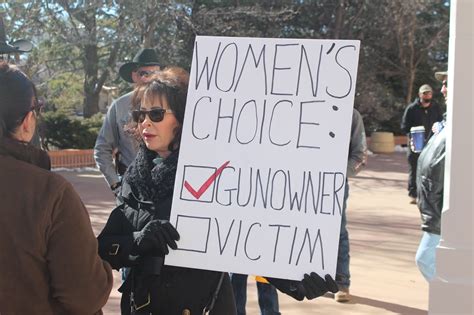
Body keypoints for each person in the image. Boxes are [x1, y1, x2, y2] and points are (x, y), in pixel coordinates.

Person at [97, 67, 339, 315]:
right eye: (140, 114)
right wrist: (139, 241)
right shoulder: (135, 178)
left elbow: (249, 241)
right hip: (143, 305)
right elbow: (104, 247)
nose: (145, 122)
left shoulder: (218, 175)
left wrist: (298, 281)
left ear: (183, 118)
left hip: (204, 305)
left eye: (156, 114)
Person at [0, 62, 113, 313]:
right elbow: (86, 295)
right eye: (37, 108)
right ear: (28, 120)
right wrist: (103, 264)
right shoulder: (50, 193)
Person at [94, 48, 161, 197]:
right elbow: (102, 148)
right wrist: (116, 184)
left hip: (166, 187)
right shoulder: (119, 107)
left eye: (156, 73)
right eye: (145, 73)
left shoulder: (172, 105)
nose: (150, 79)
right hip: (131, 188)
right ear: (134, 76)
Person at [415, 71, 448, 281]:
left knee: (425, 259)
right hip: (435, 210)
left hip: (443, 212)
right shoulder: (450, 119)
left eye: (447, 83)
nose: (442, 89)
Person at [335, 108, 367, 302]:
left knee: (337, 231)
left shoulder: (352, 115)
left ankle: (341, 283)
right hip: (302, 183)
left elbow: (359, 155)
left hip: (335, 185)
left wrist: (337, 173)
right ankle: (313, 280)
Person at [401, 84, 443, 204]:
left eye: (429, 93)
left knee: (430, 170)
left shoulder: (436, 108)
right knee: (414, 170)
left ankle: (428, 195)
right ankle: (413, 194)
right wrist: (412, 135)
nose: (427, 95)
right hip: (415, 145)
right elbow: (404, 126)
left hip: (431, 145)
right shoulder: (412, 108)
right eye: (424, 93)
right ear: (420, 95)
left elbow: (441, 123)